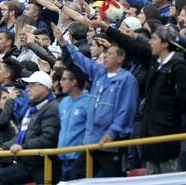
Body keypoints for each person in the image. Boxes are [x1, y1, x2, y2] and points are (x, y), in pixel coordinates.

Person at [52, 23, 138, 178]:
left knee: (112, 180)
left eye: (109, 53)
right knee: (75, 177)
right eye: (105, 54)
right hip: (91, 140)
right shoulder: (100, 74)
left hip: (112, 143)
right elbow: (82, 61)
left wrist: (112, 133)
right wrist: (65, 44)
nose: (104, 56)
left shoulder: (127, 79)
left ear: (120, 58)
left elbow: (126, 110)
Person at [0, 71, 62, 184]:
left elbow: (48, 138)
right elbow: (21, 135)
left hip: (46, 163)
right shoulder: (32, 109)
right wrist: (3, 147)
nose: (27, 89)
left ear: (43, 87)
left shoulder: (52, 108)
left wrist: (23, 147)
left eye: (32, 85)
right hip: (31, 162)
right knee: (1, 177)